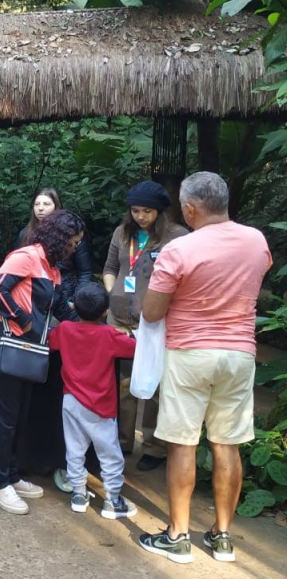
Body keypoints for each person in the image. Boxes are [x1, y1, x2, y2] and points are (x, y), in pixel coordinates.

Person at [138, 172, 271, 565]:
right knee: (227, 444)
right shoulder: (257, 241)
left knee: (183, 442)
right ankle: (222, 536)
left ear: (191, 209)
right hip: (240, 355)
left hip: (190, 354)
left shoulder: (179, 250)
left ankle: (178, 536)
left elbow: (152, 311)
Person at [0, 209, 85, 515]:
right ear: (59, 238)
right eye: (73, 242)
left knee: (20, 414)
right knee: (3, 417)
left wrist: (87, 327)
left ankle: (12, 475)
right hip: (1, 343)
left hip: (25, 350)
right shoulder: (27, 256)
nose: (75, 248)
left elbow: (60, 309)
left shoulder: (53, 269)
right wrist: (23, 320)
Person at [102, 180, 188, 471]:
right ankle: (123, 441)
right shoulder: (121, 232)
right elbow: (111, 268)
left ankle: (153, 446)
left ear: (161, 212)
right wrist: (112, 293)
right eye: (136, 211)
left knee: (153, 385)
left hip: (155, 322)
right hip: (119, 318)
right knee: (123, 384)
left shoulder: (177, 237)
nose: (140, 216)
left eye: (147, 212)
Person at [49, 283, 138, 518]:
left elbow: (51, 342)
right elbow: (135, 349)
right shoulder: (108, 334)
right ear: (105, 312)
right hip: (101, 406)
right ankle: (112, 500)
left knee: (74, 450)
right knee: (110, 454)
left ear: (74, 307)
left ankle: (78, 493)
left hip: (71, 402)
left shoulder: (65, 329)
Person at [17, 188, 92, 320]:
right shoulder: (25, 234)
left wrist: (77, 300)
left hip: (64, 297)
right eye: (37, 204)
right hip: (32, 300)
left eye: (46, 204)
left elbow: (85, 272)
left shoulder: (72, 233)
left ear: (56, 207)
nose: (40, 208)